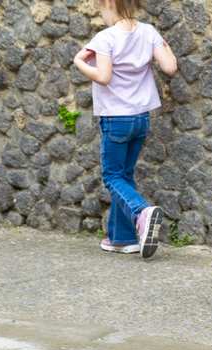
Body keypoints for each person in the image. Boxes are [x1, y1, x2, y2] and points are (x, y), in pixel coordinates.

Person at [73, 0, 177, 259]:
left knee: (112, 176)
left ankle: (141, 211)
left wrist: (79, 62)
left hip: (115, 118)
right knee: (125, 175)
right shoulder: (149, 32)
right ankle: (123, 238)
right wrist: (165, 46)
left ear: (109, 4)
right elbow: (170, 67)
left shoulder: (105, 38)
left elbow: (104, 76)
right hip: (141, 118)